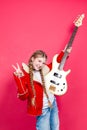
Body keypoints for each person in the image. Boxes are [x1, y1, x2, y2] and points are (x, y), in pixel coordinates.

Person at [12, 48, 72, 130]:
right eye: (39, 61)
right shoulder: (25, 74)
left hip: (52, 104)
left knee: (55, 127)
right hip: (42, 109)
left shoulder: (45, 69)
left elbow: (56, 63)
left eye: (43, 62)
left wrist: (65, 52)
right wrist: (19, 78)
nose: (41, 64)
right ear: (32, 59)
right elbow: (23, 96)